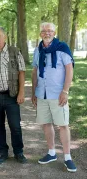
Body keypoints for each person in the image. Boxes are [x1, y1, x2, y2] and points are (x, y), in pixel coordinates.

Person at [31, 22, 77, 172]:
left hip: (58, 94)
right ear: (40, 34)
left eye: (49, 30)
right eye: (44, 31)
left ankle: (67, 157)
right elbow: (35, 71)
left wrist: (65, 91)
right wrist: (33, 92)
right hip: (41, 93)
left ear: (54, 32)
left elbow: (69, 69)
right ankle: (51, 153)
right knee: (46, 123)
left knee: (63, 125)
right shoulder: (38, 50)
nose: (47, 33)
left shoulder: (62, 48)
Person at [0, 27, 27, 164]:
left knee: (15, 126)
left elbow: (21, 72)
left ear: (5, 37)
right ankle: (2, 152)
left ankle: (19, 152)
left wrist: (21, 92)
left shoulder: (14, 51)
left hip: (11, 95)